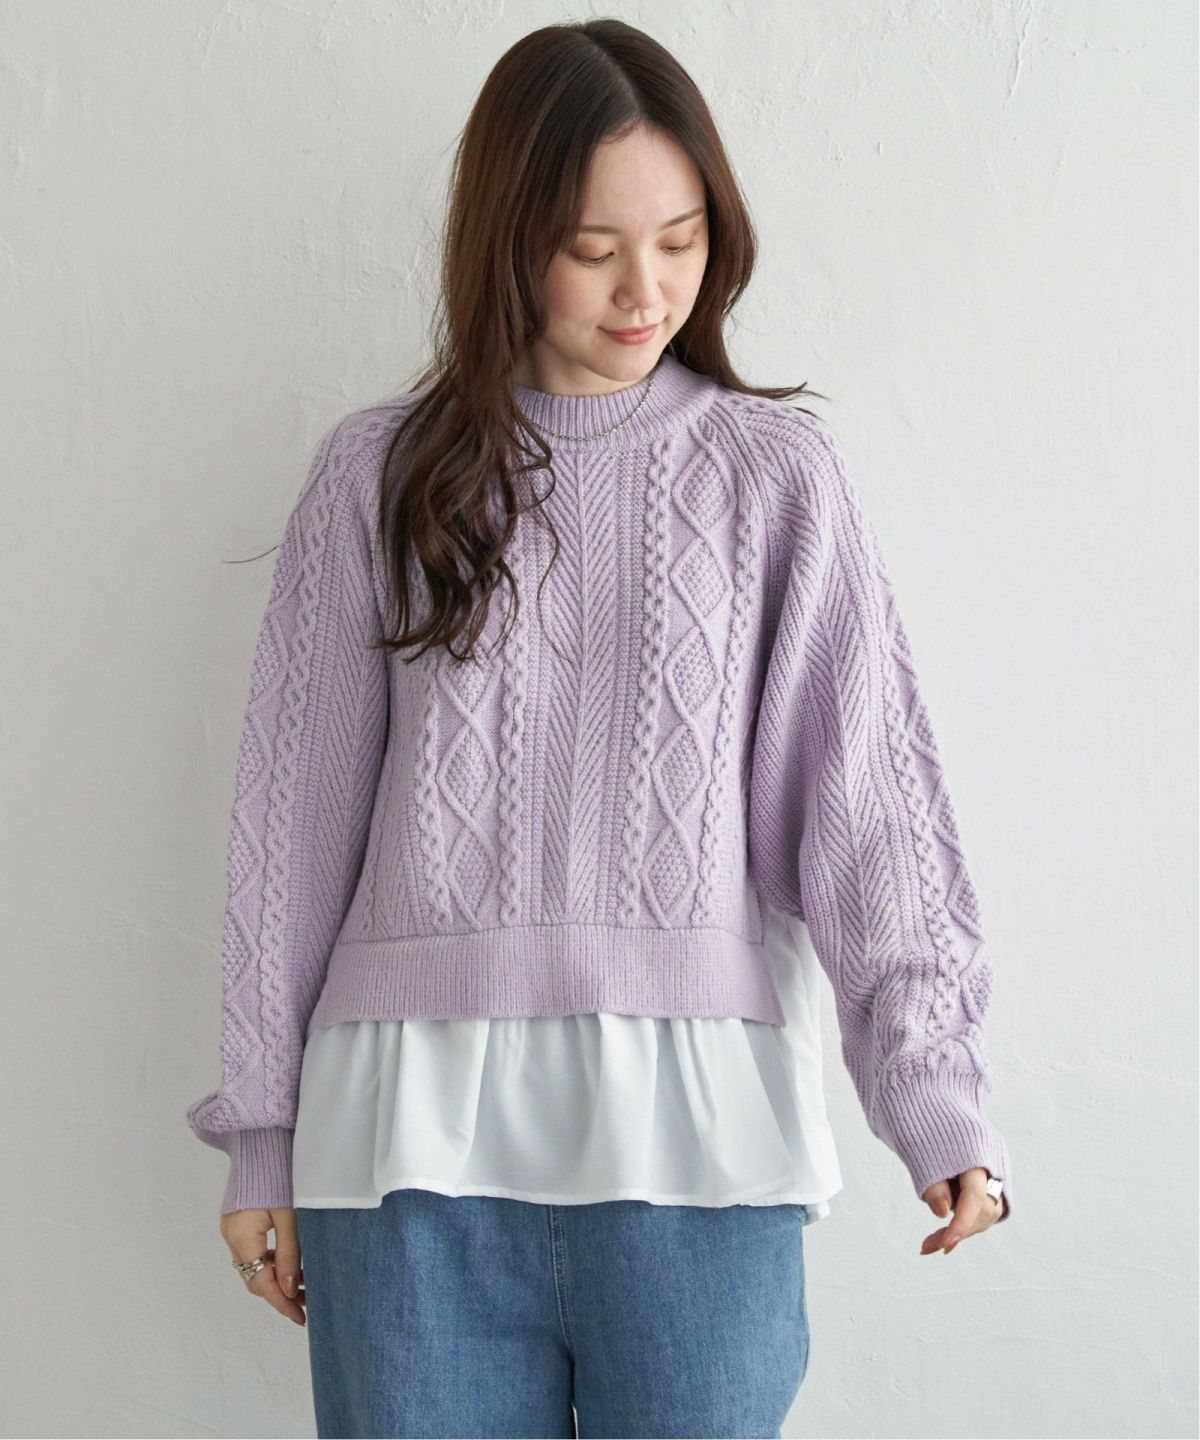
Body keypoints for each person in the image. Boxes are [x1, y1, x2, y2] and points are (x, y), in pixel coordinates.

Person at [186, 18, 1013, 1439]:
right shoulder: (378, 478)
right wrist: (262, 1133)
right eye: (594, 249)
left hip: (698, 1149)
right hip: (408, 1158)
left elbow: (863, 803)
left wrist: (932, 1089)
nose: (648, 290)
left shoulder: (774, 478)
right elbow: (293, 830)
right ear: (508, 243)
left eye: (682, 241)